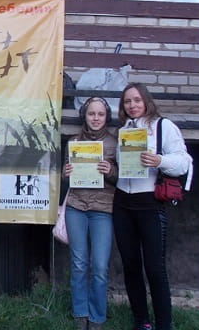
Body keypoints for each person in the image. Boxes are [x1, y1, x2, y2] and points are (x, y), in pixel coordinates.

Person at [114, 83, 192, 330]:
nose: (132, 105)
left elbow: (182, 162)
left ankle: (164, 324)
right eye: (127, 101)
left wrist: (159, 160)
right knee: (130, 265)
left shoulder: (163, 126)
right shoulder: (123, 129)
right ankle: (141, 321)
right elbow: (120, 168)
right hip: (123, 202)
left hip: (149, 203)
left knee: (155, 269)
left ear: (146, 100)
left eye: (137, 100)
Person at [62, 97, 119, 330]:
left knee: (100, 266)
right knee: (78, 263)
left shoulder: (115, 144)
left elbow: (122, 178)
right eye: (91, 114)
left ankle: (96, 317)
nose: (95, 118)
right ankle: (80, 314)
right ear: (84, 116)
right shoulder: (74, 141)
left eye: (100, 114)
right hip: (76, 207)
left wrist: (111, 170)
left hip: (103, 209)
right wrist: (66, 172)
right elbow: (67, 175)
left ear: (107, 117)